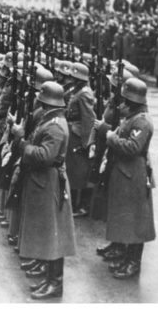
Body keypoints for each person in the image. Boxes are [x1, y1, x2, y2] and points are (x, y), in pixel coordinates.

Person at [10, 81, 76, 299]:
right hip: (44, 182)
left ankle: (55, 283)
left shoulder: (55, 126)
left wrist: (21, 143)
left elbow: (44, 156)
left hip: (49, 182)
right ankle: (49, 276)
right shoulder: (51, 121)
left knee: (53, 234)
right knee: (48, 232)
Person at [94, 78, 156, 279]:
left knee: (136, 220)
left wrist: (112, 138)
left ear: (133, 103)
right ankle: (124, 253)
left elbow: (132, 147)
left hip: (134, 174)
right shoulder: (132, 118)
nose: (120, 106)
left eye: (124, 102)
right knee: (124, 216)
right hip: (124, 172)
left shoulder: (142, 121)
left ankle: (133, 262)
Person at [64, 62, 95, 217]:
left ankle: (79, 206)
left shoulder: (84, 93)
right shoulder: (78, 91)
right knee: (73, 169)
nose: (73, 80)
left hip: (78, 135)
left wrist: (87, 142)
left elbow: (88, 119)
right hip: (72, 131)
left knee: (78, 171)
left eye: (75, 77)